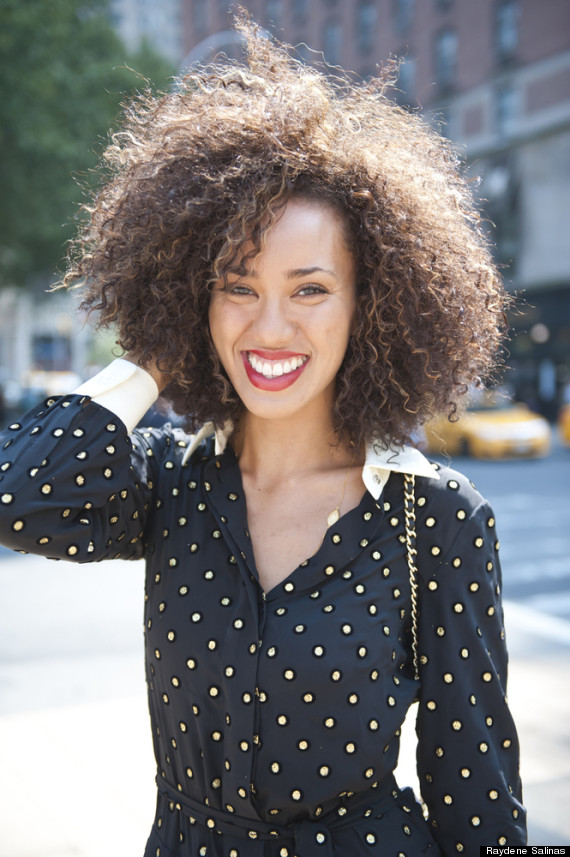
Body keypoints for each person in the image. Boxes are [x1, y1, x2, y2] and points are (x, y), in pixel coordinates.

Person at [0, 17, 526, 857]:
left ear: (372, 304)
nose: (270, 326)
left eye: (310, 288)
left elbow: (480, 800)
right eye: (237, 287)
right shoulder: (166, 484)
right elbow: (15, 496)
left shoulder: (437, 520)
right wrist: (156, 350)